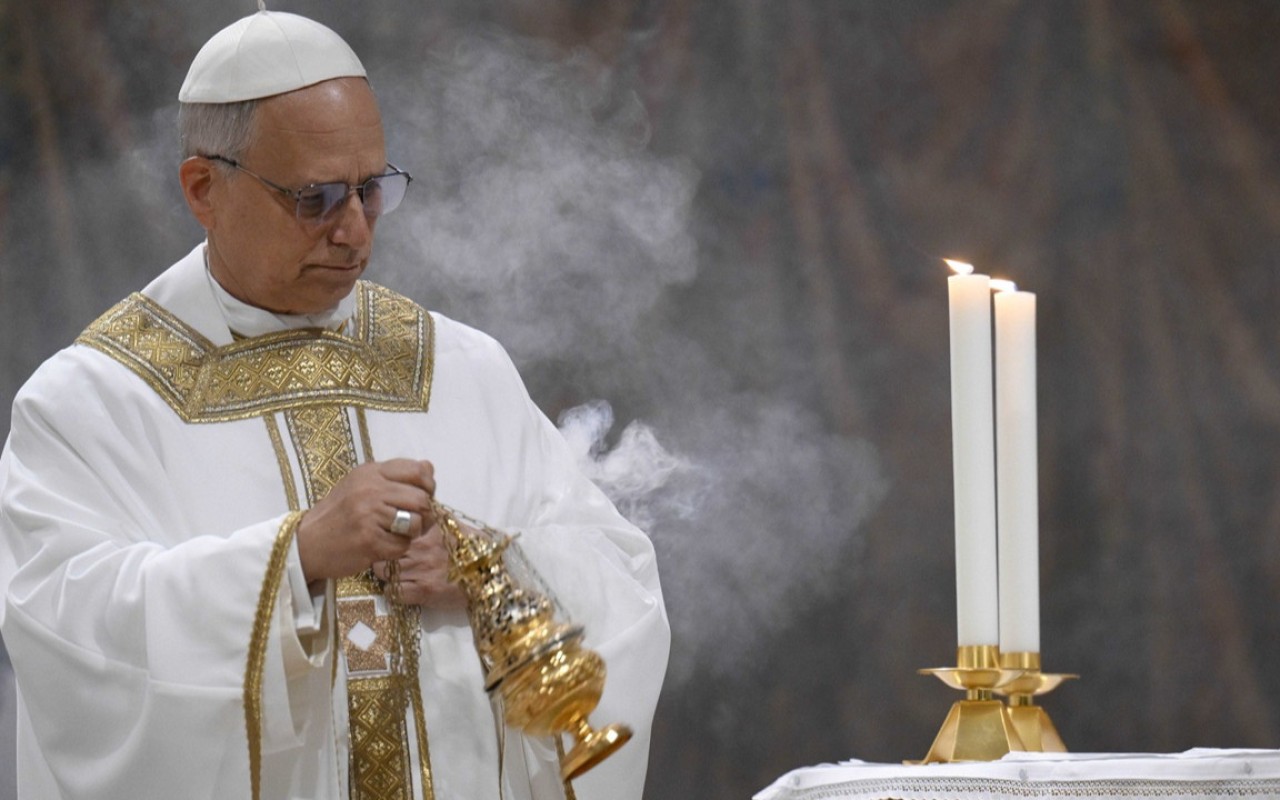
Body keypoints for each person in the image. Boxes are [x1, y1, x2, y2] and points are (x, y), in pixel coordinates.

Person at [0, 9, 670, 800]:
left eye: (371, 190)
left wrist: (493, 569)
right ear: (204, 189)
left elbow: (619, 575)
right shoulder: (93, 404)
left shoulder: (462, 369)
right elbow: (70, 634)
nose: (354, 231)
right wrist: (296, 557)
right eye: (315, 198)